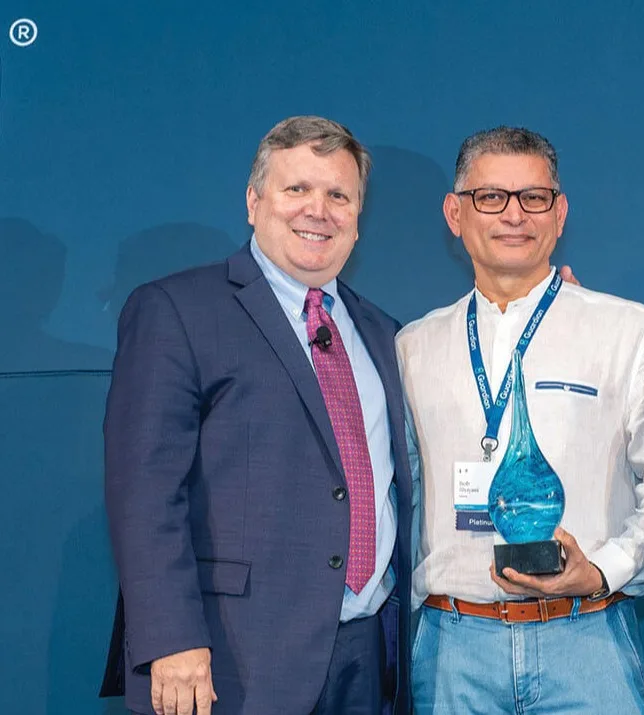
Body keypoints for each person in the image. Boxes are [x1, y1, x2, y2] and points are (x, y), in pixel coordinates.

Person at [101, 116, 413, 715]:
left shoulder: (382, 332)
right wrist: (172, 639)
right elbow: (143, 491)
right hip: (230, 658)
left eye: (338, 195)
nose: (318, 210)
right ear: (253, 201)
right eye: (297, 189)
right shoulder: (176, 309)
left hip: (369, 654)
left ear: (357, 216)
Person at [396, 126, 644, 714]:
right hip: (452, 650)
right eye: (490, 197)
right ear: (455, 212)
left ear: (560, 211)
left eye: (534, 197)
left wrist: (598, 571)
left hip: (587, 642)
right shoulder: (412, 346)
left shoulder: (630, 333)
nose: (513, 215)